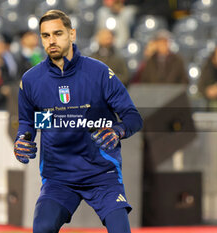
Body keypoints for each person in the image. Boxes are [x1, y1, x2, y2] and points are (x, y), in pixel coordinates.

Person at [13, 10, 142, 233]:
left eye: (57, 33)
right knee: (42, 228)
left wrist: (117, 130)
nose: (51, 41)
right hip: (58, 177)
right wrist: (22, 140)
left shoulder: (99, 73)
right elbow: (30, 122)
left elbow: (133, 117)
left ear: (72, 34)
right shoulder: (31, 80)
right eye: (45, 35)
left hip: (101, 174)